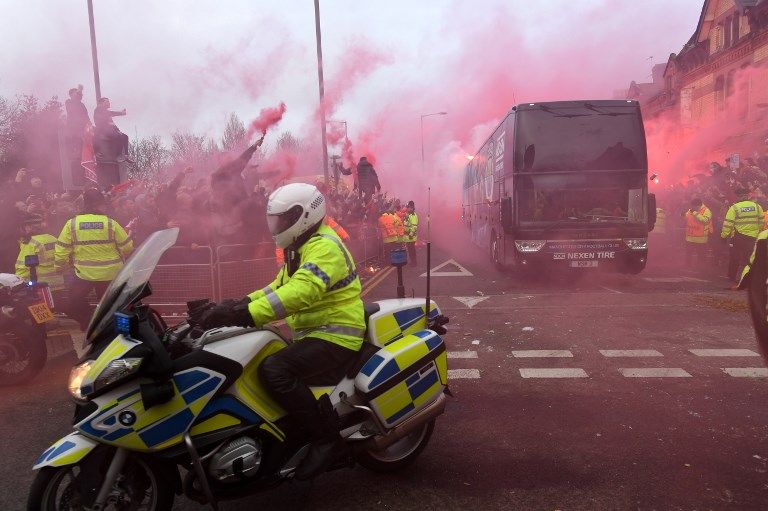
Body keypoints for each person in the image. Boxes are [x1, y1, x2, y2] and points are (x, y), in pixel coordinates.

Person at [199, 183, 364, 480]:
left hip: (338, 334)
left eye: (282, 220)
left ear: (304, 215)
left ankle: (326, 438)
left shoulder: (325, 246)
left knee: (275, 370)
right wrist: (238, 303)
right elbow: (279, 287)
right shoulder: (301, 246)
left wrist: (245, 314)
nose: (277, 227)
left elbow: (301, 292)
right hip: (315, 332)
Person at [55, 189, 134, 329]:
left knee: (74, 302)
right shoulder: (110, 223)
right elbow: (127, 247)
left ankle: (89, 324)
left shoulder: (72, 224)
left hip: (83, 275)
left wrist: (60, 266)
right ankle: (112, 331)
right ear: (98, 205)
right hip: (111, 274)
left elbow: (61, 249)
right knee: (111, 306)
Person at [721, 188, 764, 287]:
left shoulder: (734, 208)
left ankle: (731, 277)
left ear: (738, 196)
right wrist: (757, 232)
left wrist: (724, 236)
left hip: (738, 237)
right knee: (749, 258)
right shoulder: (757, 207)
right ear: (747, 196)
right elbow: (761, 222)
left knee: (734, 257)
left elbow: (728, 224)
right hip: (753, 237)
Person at [15, 213, 64, 292]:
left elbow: (23, 268)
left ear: (28, 226)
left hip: (41, 287)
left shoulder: (31, 243)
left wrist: (16, 284)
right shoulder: (53, 239)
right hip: (59, 284)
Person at [684, 198, 712, 267]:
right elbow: (687, 216)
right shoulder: (692, 210)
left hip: (701, 238)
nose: (692, 208)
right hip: (690, 237)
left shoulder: (707, 210)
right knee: (688, 254)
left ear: (698, 205)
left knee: (701, 255)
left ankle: (701, 268)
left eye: (693, 206)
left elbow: (705, 220)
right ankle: (687, 266)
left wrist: (695, 213)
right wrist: (683, 215)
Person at [404, 200, 419, 265]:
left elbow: (414, 226)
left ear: (412, 207)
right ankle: (412, 261)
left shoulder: (413, 215)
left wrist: (411, 234)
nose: (407, 208)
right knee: (410, 250)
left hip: (411, 237)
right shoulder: (408, 214)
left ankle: (414, 262)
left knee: (412, 250)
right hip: (408, 237)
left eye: (408, 207)